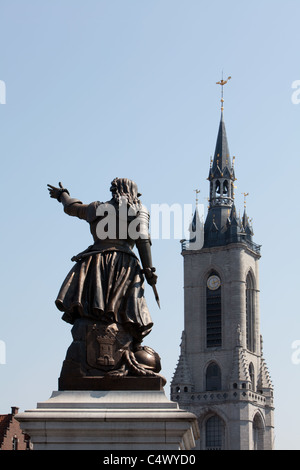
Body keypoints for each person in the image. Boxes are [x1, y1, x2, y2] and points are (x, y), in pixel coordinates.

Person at [47, 178, 158, 347]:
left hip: (96, 263)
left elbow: (71, 208)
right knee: (125, 311)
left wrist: (62, 194)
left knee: (94, 308)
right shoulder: (139, 209)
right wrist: (149, 269)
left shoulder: (97, 208)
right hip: (125, 265)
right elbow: (143, 239)